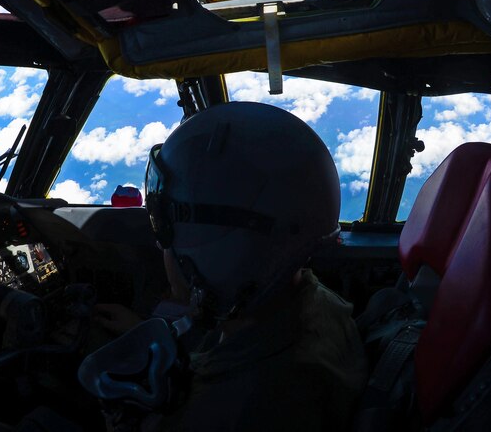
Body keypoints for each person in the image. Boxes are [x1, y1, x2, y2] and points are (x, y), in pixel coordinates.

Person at [93, 101, 368, 431]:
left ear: (230, 251)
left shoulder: (240, 408)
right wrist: (151, 341)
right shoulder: (310, 301)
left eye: (166, 227)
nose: (160, 242)